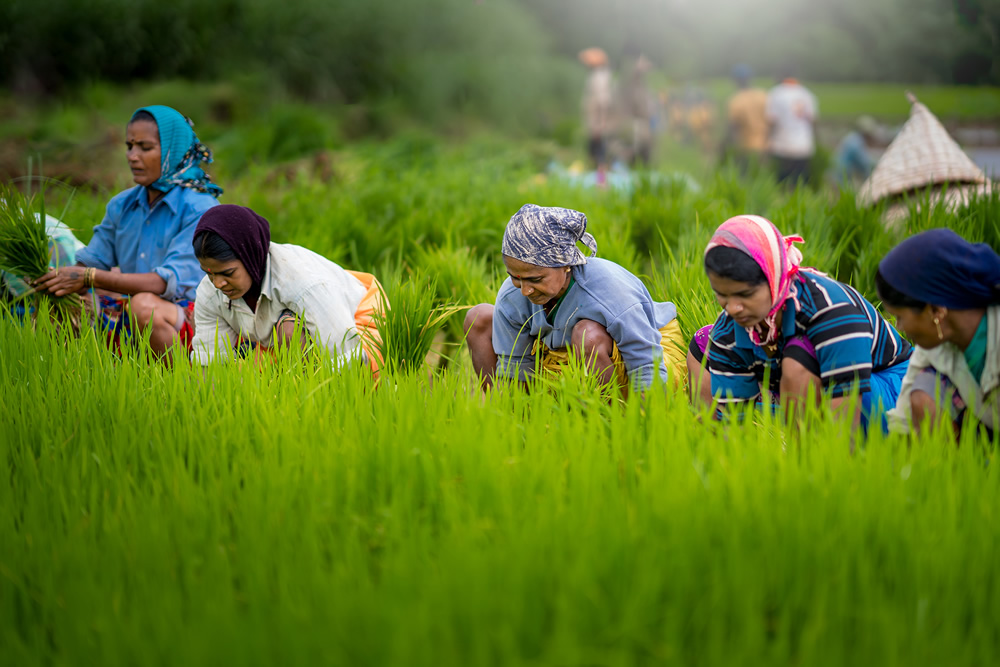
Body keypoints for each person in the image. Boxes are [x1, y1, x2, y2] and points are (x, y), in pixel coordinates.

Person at [686, 215, 911, 431]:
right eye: (723, 295)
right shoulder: (730, 328)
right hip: (814, 394)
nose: (733, 308)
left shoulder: (831, 310)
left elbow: (845, 425)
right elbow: (733, 427)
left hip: (888, 394)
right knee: (707, 341)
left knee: (797, 359)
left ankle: (805, 456)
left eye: (745, 294)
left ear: (773, 278)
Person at [32, 105, 222, 357]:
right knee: (60, 302)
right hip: (131, 308)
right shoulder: (122, 205)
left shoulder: (200, 208)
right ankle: (72, 379)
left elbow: (165, 283)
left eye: (145, 148)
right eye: (129, 146)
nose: (133, 156)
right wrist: (54, 279)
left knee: (145, 308)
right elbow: (91, 262)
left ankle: (185, 382)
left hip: (188, 315)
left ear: (172, 151)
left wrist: (89, 277)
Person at [463, 204, 685, 397]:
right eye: (515, 277)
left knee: (588, 334)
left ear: (566, 264)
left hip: (646, 346)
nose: (525, 291)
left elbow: (645, 367)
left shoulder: (609, 289)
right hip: (565, 352)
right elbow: (516, 370)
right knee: (479, 317)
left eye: (536, 279)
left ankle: (607, 417)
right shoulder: (513, 296)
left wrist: (643, 424)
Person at [189, 204, 386, 376]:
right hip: (281, 348)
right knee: (246, 385)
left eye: (228, 273)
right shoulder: (210, 292)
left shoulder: (304, 283)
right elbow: (210, 363)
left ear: (249, 257)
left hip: (359, 331)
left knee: (289, 330)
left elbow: (348, 356)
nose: (217, 283)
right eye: (210, 274)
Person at [876, 229, 1000, 438]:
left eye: (900, 317)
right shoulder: (933, 344)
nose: (899, 327)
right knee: (924, 390)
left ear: (935, 310)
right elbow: (903, 420)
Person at [766, 73, 818, 186]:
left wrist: (767, 140)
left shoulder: (776, 93)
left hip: (783, 144)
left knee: (783, 180)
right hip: (804, 145)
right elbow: (813, 121)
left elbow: (771, 121)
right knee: (801, 180)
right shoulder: (807, 94)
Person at [721, 64, 769, 173]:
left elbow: (732, 127)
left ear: (736, 81)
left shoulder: (735, 101)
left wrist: (725, 146)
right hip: (765, 147)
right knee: (763, 179)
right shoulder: (763, 95)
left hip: (746, 148)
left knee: (747, 180)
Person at [579, 48, 615, 185]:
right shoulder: (598, 76)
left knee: (599, 152)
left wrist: (600, 124)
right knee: (595, 150)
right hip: (595, 122)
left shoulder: (599, 77)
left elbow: (602, 102)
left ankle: (601, 183)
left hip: (597, 123)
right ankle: (598, 181)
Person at [621, 48, 655, 168]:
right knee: (634, 154)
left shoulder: (643, 87)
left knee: (645, 155)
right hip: (636, 124)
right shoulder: (633, 86)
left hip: (644, 124)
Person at [830, 115, 880, 188]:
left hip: (838, 169)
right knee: (843, 192)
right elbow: (864, 162)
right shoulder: (856, 142)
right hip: (842, 172)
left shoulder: (853, 137)